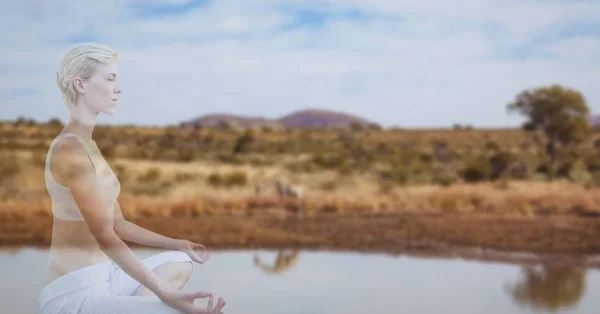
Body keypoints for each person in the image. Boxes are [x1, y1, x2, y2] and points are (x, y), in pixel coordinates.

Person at [38, 42, 227, 314]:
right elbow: (104, 236)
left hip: (107, 279)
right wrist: (166, 296)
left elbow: (119, 225)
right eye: (110, 78)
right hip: (74, 295)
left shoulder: (88, 145)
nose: (118, 88)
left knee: (179, 260)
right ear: (80, 85)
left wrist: (179, 243)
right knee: (177, 310)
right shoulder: (70, 149)